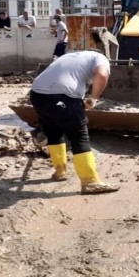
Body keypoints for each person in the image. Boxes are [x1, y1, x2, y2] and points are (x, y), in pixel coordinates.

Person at [29, 36, 119, 195]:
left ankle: (60, 172)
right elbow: (103, 75)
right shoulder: (99, 58)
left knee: (53, 132)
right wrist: (93, 99)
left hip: (37, 94)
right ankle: (90, 182)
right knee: (79, 137)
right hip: (62, 96)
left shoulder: (69, 55)